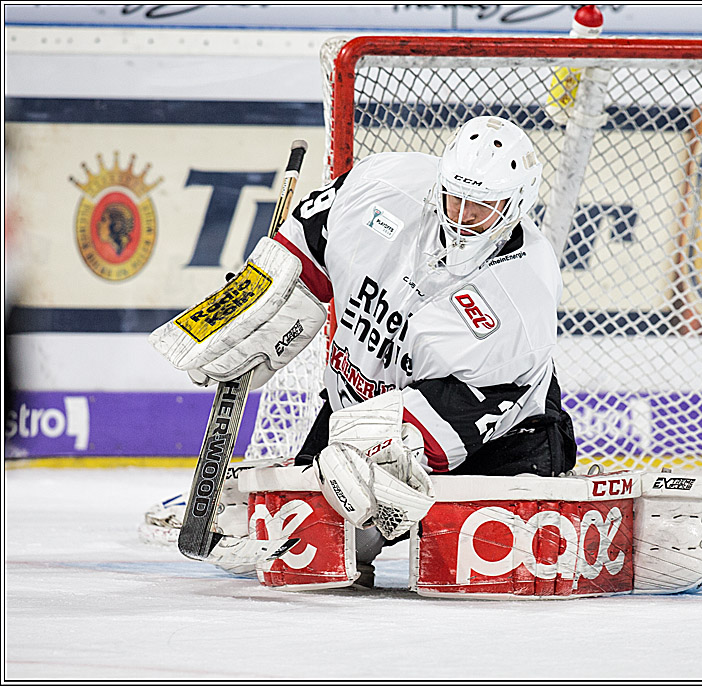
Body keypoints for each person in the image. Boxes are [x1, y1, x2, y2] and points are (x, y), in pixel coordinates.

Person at [148, 116, 577, 582]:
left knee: (479, 575)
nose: (462, 215)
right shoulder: (382, 185)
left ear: (516, 206)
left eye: (481, 206)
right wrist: (261, 301)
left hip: (500, 447)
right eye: (455, 196)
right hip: (356, 408)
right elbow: (310, 234)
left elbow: (476, 405)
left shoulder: (522, 295)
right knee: (295, 561)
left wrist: (373, 454)